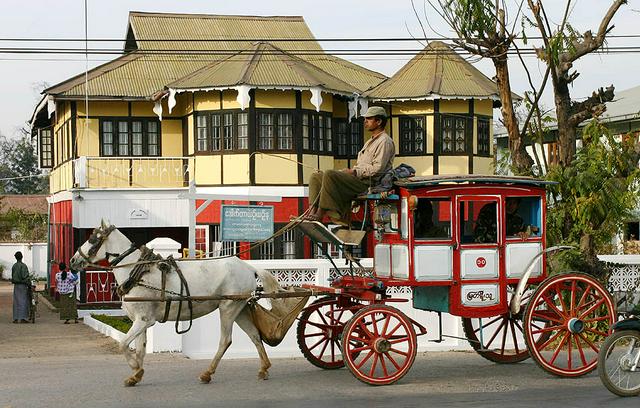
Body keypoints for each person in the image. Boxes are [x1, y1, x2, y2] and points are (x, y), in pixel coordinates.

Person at [306, 106, 395, 224]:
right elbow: (361, 165)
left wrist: (354, 172)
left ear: (378, 122)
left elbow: (377, 169)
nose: (365, 122)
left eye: (369, 119)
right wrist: (348, 171)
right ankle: (312, 211)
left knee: (329, 174)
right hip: (358, 178)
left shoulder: (385, 141)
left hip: (368, 183)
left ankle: (321, 214)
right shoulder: (370, 141)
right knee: (316, 176)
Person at [11, 251, 30, 323]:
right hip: (23, 285)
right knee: (24, 301)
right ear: (22, 257)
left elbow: (12, 276)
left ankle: (15, 318)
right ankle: (23, 318)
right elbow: (25, 276)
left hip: (16, 285)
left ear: (15, 257)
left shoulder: (14, 266)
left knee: (16, 301)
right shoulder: (23, 266)